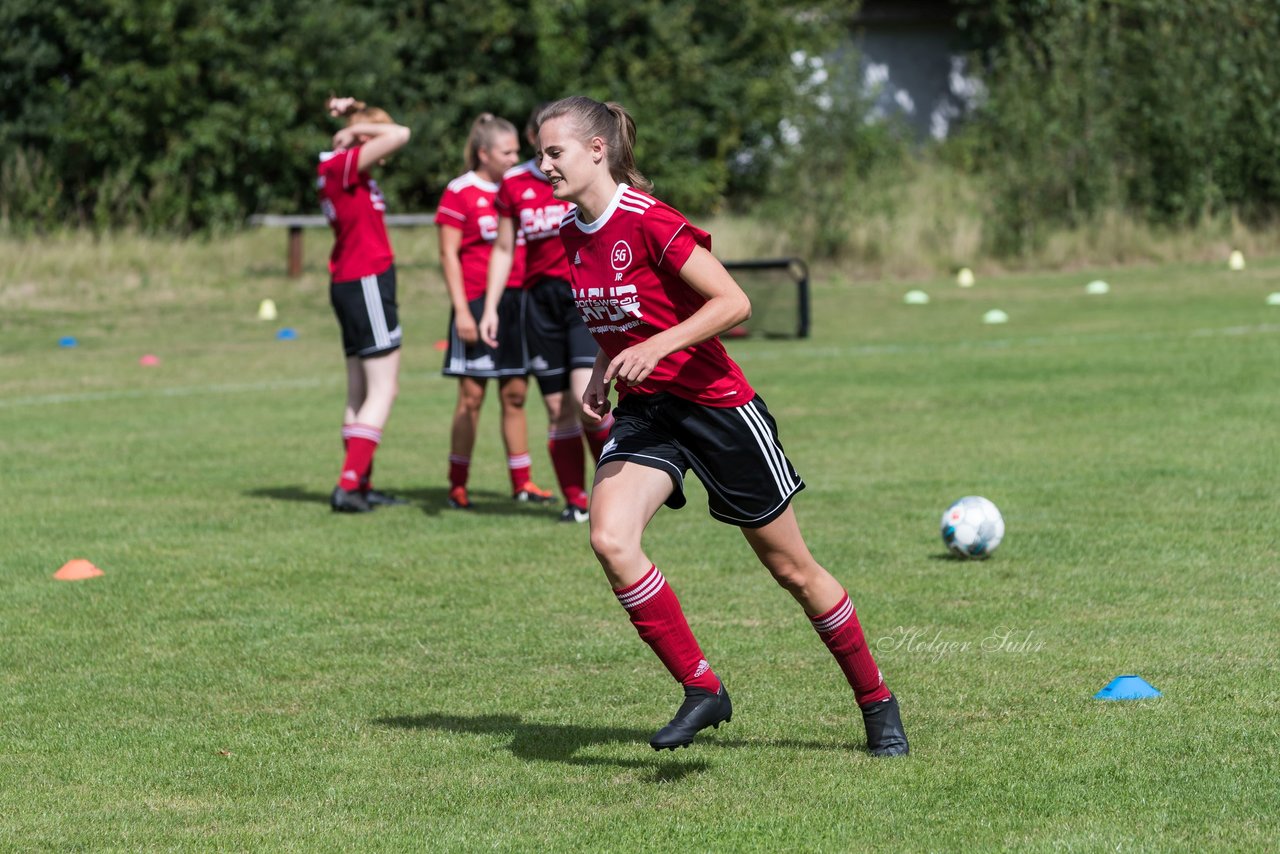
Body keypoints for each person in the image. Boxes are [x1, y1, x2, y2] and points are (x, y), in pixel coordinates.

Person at [534, 95, 909, 756]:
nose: (543, 165)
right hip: (649, 413)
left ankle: (877, 703)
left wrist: (660, 346)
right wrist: (601, 370)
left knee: (793, 570)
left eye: (553, 152)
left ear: (597, 150)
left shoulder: (650, 221)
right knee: (610, 539)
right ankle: (702, 689)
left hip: (716, 408)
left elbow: (735, 302)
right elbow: (615, 314)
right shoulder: (569, 232)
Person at [479, 107, 613, 524]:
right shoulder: (514, 183)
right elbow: (503, 248)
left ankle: (613, 491)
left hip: (580, 300)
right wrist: (490, 307)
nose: (547, 160)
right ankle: (575, 501)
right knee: (556, 408)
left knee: (585, 401)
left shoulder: (582, 177)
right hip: (537, 303)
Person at [435, 113, 556, 510]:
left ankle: (522, 482)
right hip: (474, 301)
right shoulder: (460, 191)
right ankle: (457, 484)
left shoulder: (522, 185)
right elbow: (448, 255)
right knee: (471, 395)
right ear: (484, 153)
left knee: (516, 394)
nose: (515, 157)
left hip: (518, 300)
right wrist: (462, 312)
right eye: (507, 152)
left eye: (516, 150)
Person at [318, 96, 412, 513]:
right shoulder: (342, 165)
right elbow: (401, 134)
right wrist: (359, 130)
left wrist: (356, 110)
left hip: (354, 280)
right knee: (383, 388)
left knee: (359, 390)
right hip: (365, 279)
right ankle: (348, 484)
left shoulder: (344, 170)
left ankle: (359, 484)